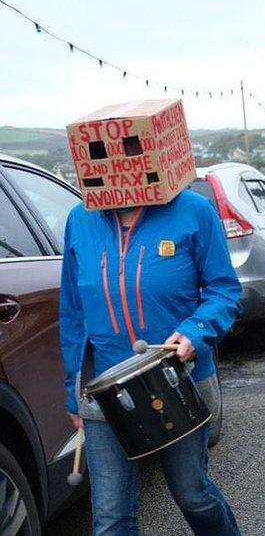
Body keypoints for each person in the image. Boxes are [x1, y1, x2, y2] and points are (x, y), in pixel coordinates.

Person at [60, 189, 242, 535]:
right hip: (105, 389)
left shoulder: (193, 210)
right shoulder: (79, 219)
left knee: (193, 495)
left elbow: (224, 290)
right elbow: (72, 312)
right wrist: (73, 390)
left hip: (176, 381)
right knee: (111, 517)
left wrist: (195, 332)